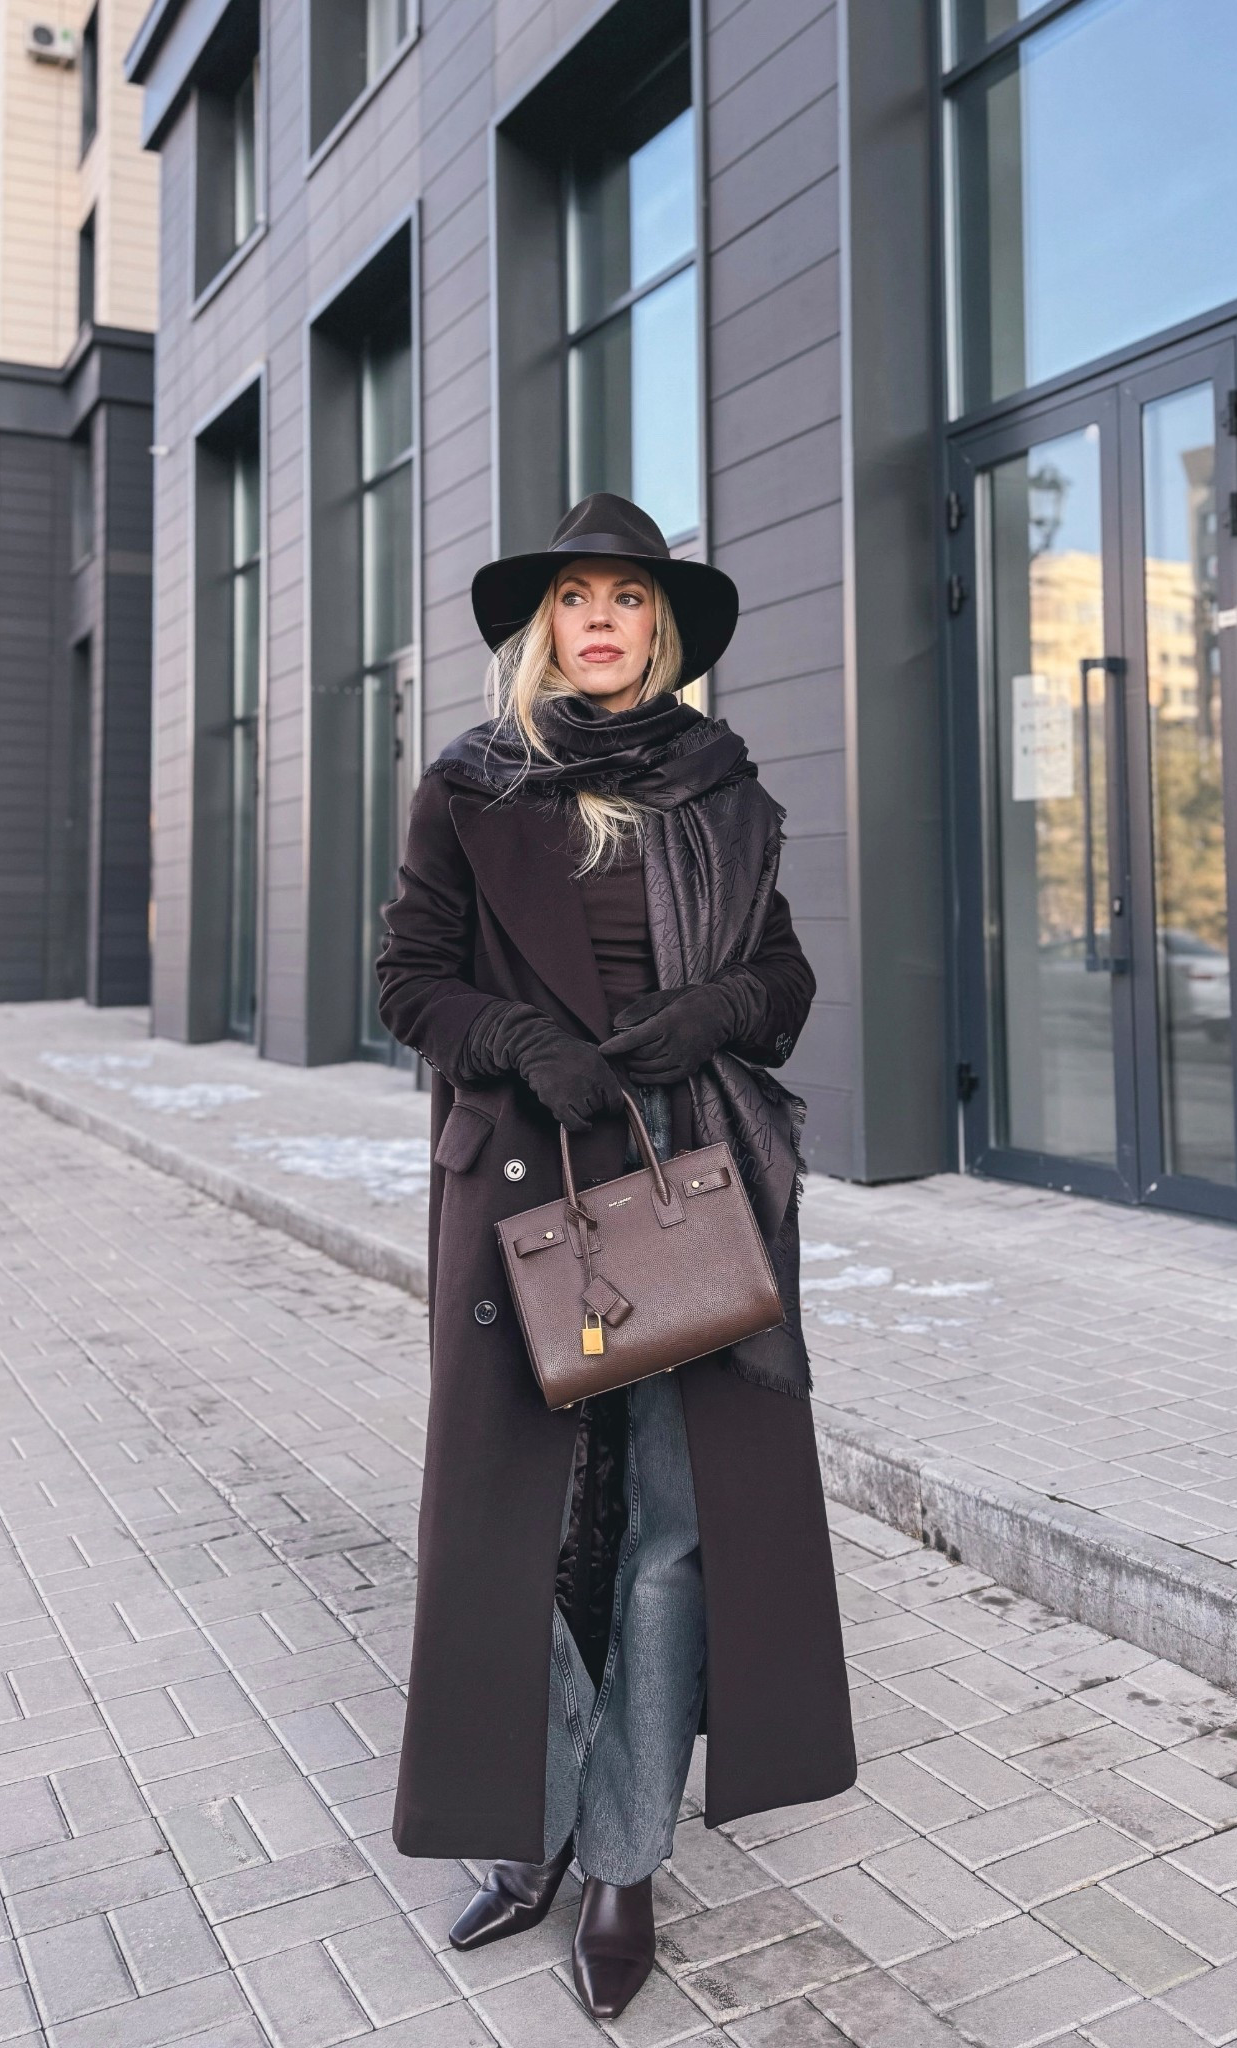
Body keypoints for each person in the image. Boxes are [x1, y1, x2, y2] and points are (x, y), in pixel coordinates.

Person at [376, 492, 856, 2021]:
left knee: (667, 1530)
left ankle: (627, 1855)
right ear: (546, 629)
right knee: (510, 1528)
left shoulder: (722, 789)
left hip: (688, 1181)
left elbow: (781, 972)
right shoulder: (471, 784)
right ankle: (528, 1822)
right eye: (577, 598)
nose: (601, 620)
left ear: (660, 631)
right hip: (527, 1180)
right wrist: (518, 1042)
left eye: (628, 599)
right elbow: (408, 979)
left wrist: (717, 1011)